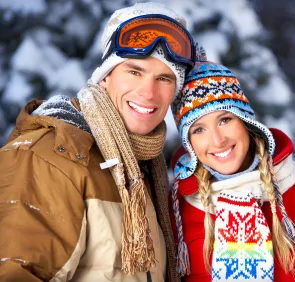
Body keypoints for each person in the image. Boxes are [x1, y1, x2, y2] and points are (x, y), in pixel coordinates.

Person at [0, 3, 198, 281]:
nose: (148, 92)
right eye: (134, 71)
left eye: (164, 78)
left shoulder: (143, 171)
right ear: (105, 78)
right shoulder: (51, 157)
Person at [170, 61, 295, 282]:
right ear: (189, 142)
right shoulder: (176, 212)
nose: (217, 140)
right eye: (199, 129)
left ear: (246, 122)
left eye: (224, 120)